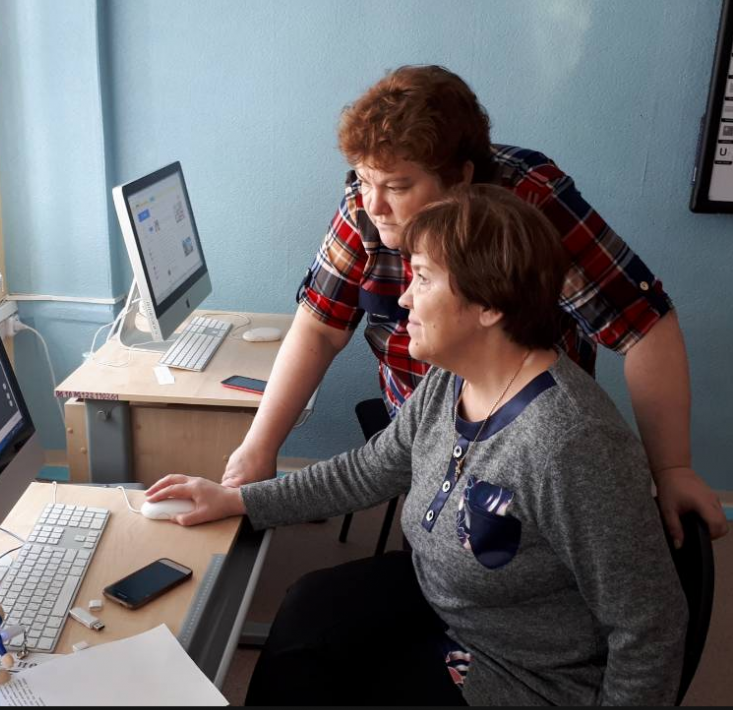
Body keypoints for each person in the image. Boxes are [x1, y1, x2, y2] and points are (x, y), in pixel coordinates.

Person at [146, 186, 687, 706]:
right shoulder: (451, 379)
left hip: (520, 670)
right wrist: (239, 500)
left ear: (489, 305)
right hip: (444, 603)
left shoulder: (572, 443)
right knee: (306, 616)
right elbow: (368, 470)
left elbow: (650, 625)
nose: (403, 297)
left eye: (423, 278)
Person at [220, 65, 727, 546]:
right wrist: (259, 449)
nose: (373, 206)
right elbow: (319, 328)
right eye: (363, 180)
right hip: (419, 423)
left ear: (460, 177)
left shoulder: (529, 202)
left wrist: (672, 469)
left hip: (523, 437)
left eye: (398, 187)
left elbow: (643, 325)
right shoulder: (369, 199)